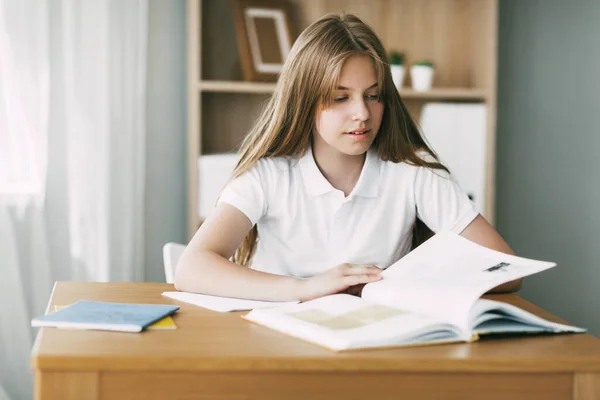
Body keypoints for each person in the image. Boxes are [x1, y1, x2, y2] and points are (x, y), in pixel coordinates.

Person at [174, 13, 521, 301]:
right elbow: (192, 267)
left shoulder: (414, 172)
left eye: (373, 95)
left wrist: (398, 281)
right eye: (341, 98)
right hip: (277, 343)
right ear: (305, 101)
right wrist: (306, 288)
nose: (363, 114)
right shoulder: (268, 175)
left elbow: (505, 268)